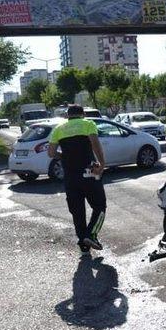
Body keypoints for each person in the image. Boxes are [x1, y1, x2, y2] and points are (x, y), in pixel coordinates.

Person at [48, 104, 107, 256]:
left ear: (68, 116)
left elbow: (51, 152)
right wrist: (102, 164)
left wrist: (65, 156)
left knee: (77, 211)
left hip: (70, 177)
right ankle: (91, 235)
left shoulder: (58, 129)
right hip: (89, 172)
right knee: (100, 206)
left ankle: (84, 246)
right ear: (82, 114)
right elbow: (95, 145)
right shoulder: (88, 124)